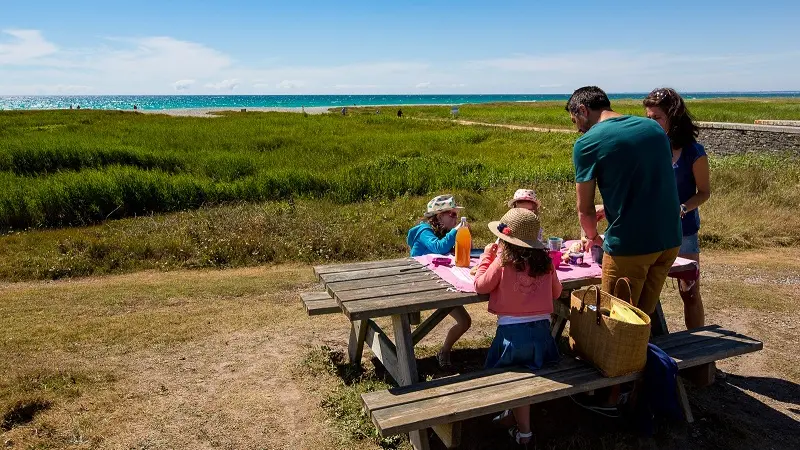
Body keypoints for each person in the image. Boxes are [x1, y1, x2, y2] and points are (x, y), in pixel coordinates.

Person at [566, 86, 681, 316]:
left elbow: (584, 209)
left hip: (631, 244)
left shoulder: (586, 144)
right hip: (670, 239)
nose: (577, 128)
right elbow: (648, 182)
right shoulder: (652, 128)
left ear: (582, 110)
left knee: (617, 322)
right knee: (642, 320)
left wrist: (593, 238)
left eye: (574, 120)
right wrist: (609, 209)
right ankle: (642, 351)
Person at [474, 208, 562, 446]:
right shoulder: (545, 262)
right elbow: (557, 292)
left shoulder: (502, 261)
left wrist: (485, 259)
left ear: (504, 239)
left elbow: (480, 286)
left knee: (515, 377)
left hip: (512, 338)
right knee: (525, 375)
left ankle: (524, 432)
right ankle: (515, 420)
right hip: (542, 336)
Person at [643, 88, 711, 329]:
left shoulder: (694, 151)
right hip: (651, 232)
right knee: (645, 296)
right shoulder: (647, 148)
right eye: (648, 118)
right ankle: (645, 351)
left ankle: (698, 353)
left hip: (684, 232)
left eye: (657, 118)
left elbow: (704, 192)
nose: (651, 124)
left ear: (673, 117)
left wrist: (683, 207)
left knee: (689, 293)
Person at [406, 194, 472, 368]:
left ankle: (444, 351)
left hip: (441, 283)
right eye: (451, 214)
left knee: (465, 322)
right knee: (404, 323)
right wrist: (456, 231)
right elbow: (438, 247)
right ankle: (403, 359)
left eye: (456, 214)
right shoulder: (424, 231)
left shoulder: (443, 232)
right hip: (419, 285)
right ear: (438, 216)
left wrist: (462, 235)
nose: (455, 217)